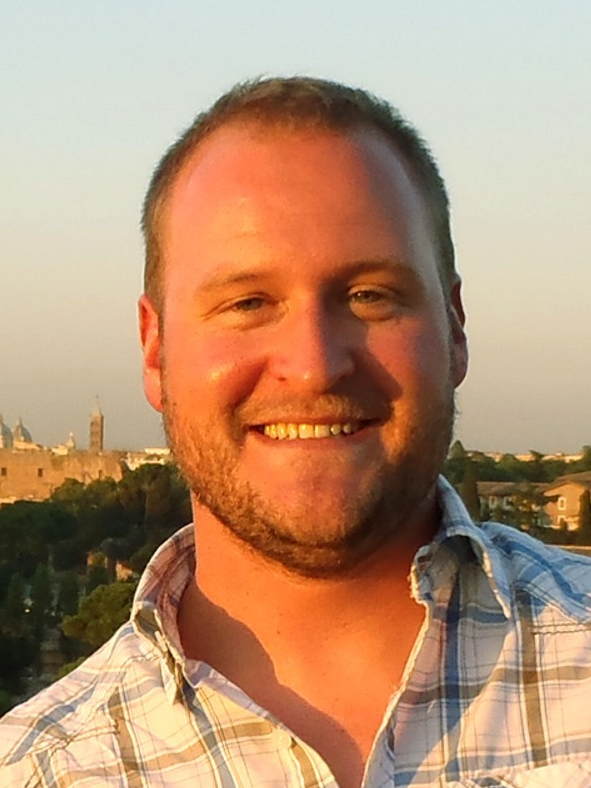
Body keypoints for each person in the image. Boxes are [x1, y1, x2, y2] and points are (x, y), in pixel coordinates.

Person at [1, 76, 591, 788]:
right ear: (155, 351)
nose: (313, 365)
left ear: (456, 328)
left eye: (369, 295)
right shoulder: (41, 771)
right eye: (248, 302)